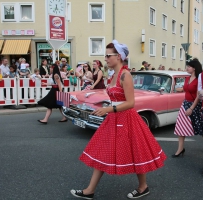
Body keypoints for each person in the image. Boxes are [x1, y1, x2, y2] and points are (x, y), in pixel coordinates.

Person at [70, 40, 166, 199]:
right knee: (103, 152)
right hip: (113, 119)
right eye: (105, 55)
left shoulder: (125, 75)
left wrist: (109, 109)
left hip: (126, 119)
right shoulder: (113, 75)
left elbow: (131, 103)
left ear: (119, 56)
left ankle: (143, 186)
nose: (105, 58)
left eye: (108, 55)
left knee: (135, 152)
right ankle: (90, 190)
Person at [173, 59, 203, 157]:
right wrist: (177, 89)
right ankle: (180, 149)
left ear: (194, 68)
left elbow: (199, 95)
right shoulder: (187, 78)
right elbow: (186, 89)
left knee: (199, 126)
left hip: (195, 105)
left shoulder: (199, 79)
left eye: (189, 66)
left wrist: (192, 108)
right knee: (180, 126)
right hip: (185, 104)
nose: (187, 68)